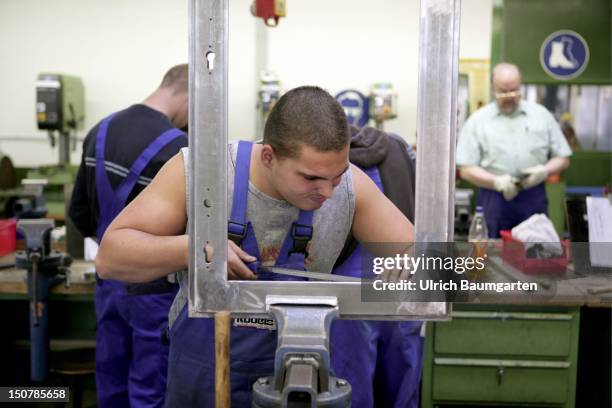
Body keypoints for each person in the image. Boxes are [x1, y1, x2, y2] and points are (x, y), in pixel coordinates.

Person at [95, 86, 415, 406]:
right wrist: (194, 250)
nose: (328, 193)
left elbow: (433, 266)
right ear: (268, 156)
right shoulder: (203, 173)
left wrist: (431, 264)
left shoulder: (349, 188)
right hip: (204, 369)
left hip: (299, 375)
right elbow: (111, 257)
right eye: (311, 178)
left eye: (337, 176)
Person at [69, 64, 189, 408]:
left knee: (111, 379)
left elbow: (78, 213)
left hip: (107, 284)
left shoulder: (99, 131)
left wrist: (115, 250)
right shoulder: (180, 150)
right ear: (188, 96)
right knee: (150, 390)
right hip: (154, 292)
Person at [331, 125, 423, 407]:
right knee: (402, 372)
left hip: (348, 286)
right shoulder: (398, 148)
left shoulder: (329, 162)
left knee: (352, 380)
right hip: (402, 276)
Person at [456, 63, 572, 237]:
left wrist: (544, 170)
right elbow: (465, 169)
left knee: (537, 251)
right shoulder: (478, 121)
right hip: (494, 198)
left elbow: (564, 157)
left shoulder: (541, 115)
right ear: (492, 88)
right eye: (503, 91)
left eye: (514, 90)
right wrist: (495, 182)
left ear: (520, 86)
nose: (509, 96)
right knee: (490, 254)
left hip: (533, 195)